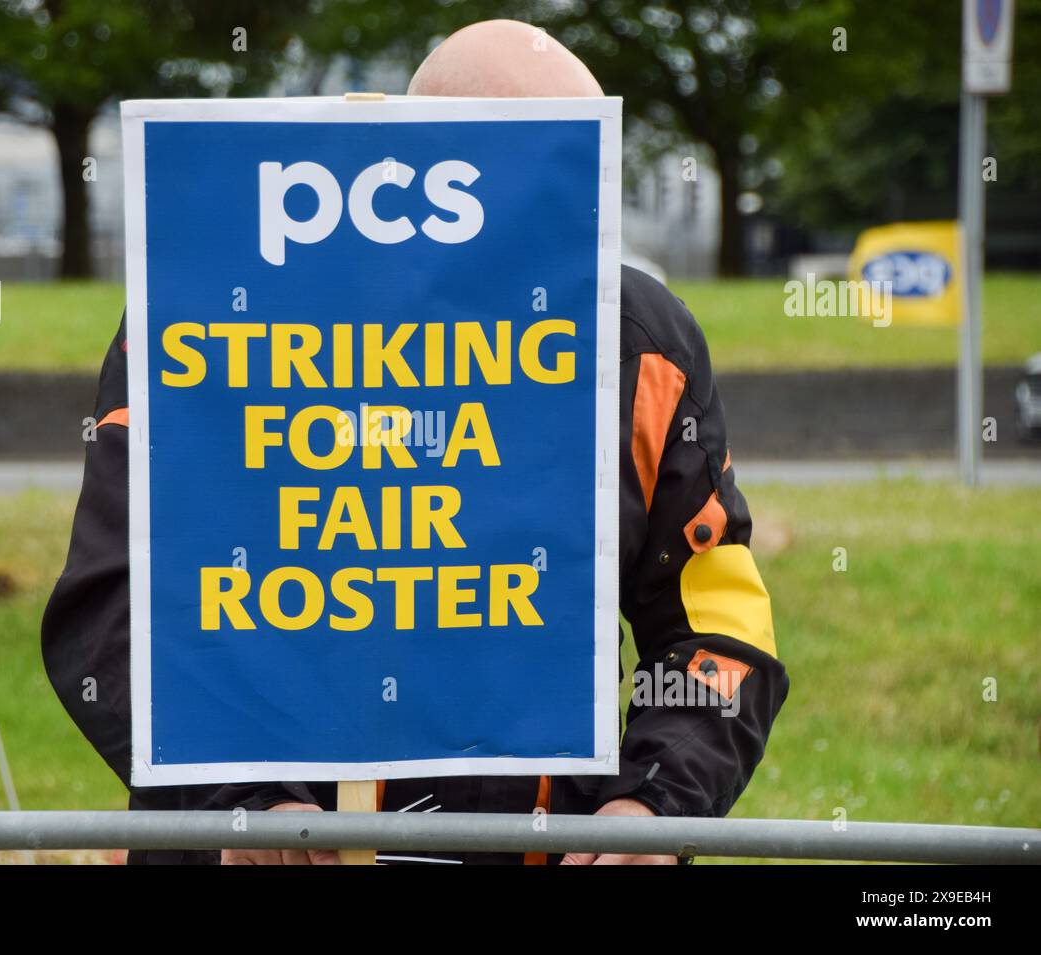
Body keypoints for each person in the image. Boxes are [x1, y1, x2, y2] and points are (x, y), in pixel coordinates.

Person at [41, 19, 788, 865]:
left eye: (586, 181)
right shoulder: (198, 322)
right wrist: (239, 801)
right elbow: (111, 606)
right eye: (536, 183)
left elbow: (716, 621)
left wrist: (655, 805)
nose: (572, 229)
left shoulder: (642, 342)